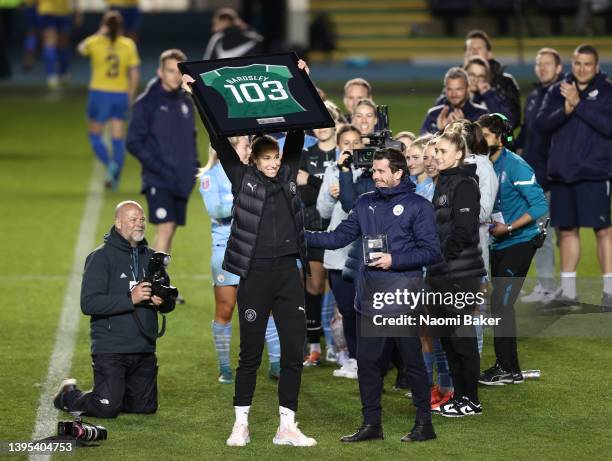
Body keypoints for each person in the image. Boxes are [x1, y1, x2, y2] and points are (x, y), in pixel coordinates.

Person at [186, 59, 317, 447]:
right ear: (253, 161)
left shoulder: (288, 172)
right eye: (267, 159)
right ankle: (240, 423)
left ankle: (287, 426)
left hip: (288, 275)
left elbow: (298, 129)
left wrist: (303, 81)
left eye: (276, 158)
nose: (275, 164)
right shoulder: (241, 178)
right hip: (255, 275)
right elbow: (216, 134)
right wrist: (197, 94)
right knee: (250, 354)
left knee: (293, 352)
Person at [307, 148, 441, 443]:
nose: (375, 177)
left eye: (381, 172)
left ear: (398, 173)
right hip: (370, 297)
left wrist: (395, 259)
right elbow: (338, 237)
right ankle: (371, 425)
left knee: (412, 362)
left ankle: (424, 423)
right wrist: (299, 235)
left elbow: (432, 251)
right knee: (367, 364)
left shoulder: (419, 206)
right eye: (374, 171)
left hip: (402, 295)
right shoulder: (365, 203)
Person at [53, 201, 175, 418]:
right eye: (133, 219)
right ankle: (68, 395)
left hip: (144, 349)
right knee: (108, 407)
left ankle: (117, 393)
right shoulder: (100, 257)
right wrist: (131, 298)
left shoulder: (153, 258)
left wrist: (162, 301)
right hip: (111, 350)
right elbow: (88, 303)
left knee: (144, 408)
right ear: (118, 223)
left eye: (142, 219)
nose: (139, 224)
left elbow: (169, 300)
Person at [198, 139, 281, 384]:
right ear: (230, 149)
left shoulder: (257, 174)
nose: (249, 149)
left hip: (258, 247)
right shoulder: (211, 177)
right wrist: (248, 200)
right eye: (245, 145)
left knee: (267, 306)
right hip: (227, 249)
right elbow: (215, 210)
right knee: (225, 309)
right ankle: (224, 367)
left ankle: (276, 363)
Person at [536, 44, 612, 311]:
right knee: (566, 232)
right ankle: (568, 293)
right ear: (572, 63)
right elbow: (541, 124)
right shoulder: (559, 89)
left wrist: (579, 105)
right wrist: (566, 110)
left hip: (594, 173)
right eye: (577, 63)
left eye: (587, 64)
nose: (581, 69)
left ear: (596, 65)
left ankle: (609, 292)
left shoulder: (606, 90)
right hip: (562, 174)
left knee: (603, 231)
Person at [477, 113, 548, 385]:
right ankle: (509, 367)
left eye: (485, 135)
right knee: (500, 303)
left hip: (519, 241)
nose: (479, 140)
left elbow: (540, 206)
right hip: (498, 242)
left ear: (500, 137)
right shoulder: (482, 164)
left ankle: (507, 368)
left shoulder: (516, 166)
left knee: (501, 303)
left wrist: (509, 228)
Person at [127, 49, 199, 285]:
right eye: (170, 71)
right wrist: (158, 167)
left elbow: (191, 136)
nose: (175, 77)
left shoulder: (185, 101)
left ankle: (161, 282)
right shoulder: (147, 103)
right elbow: (133, 141)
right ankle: (152, 284)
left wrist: (194, 166)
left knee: (171, 231)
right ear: (160, 72)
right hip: (159, 179)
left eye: (179, 72)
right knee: (165, 228)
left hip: (181, 180)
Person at [516, 48, 564, 304]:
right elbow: (526, 134)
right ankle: (546, 285)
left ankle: (550, 286)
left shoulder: (561, 95)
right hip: (534, 175)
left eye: (548, 64)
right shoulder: (535, 96)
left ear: (558, 68)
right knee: (539, 233)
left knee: (547, 233)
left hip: (552, 176)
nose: (542, 68)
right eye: (539, 63)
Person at [317, 124, 364, 379]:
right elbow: (323, 212)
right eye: (346, 143)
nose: (351, 148)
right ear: (339, 146)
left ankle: (369, 359)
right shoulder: (331, 171)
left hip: (361, 253)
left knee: (364, 310)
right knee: (346, 309)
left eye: (356, 143)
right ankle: (354, 359)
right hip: (337, 256)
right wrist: (330, 194)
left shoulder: (370, 172)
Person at [78, 10, 140, 189]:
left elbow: (80, 48)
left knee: (95, 136)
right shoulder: (128, 45)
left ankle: (110, 165)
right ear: (121, 27)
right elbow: (134, 72)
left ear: (104, 25)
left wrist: (99, 32)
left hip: (99, 94)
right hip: (120, 94)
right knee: (118, 139)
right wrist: (131, 94)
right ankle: (115, 179)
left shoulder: (95, 42)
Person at [299, 103, 340, 367]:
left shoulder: (343, 153)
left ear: (336, 122)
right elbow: (305, 197)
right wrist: (325, 188)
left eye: (327, 120)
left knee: (338, 289)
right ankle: (314, 345)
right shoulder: (306, 154)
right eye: (318, 121)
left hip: (339, 228)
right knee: (313, 286)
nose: (322, 126)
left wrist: (313, 182)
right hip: (313, 225)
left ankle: (338, 344)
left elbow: (341, 195)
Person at [462, 29, 521, 130]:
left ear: (489, 54)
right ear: (465, 55)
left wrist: (488, 94)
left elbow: (511, 122)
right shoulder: (455, 82)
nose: (474, 51)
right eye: (470, 48)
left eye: (479, 48)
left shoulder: (505, 82)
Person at [421, 67, 487, 135]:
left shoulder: (481, 115)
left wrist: (464, 127)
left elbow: (483, 144)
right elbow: (422, 143)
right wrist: (440, 130)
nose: (454, 94)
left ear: (468, 88)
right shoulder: (433, 114)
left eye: (458, 89)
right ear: (445, 90)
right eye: (450, 89)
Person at [37, 0, 81, 88]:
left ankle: (52, 75)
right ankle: (64, 74)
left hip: (47, 11)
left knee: (50, 42)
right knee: (62, 43)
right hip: (63, 12)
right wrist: (77, 12)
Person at [464, 56, 514, 127]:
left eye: (480, 76)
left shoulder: (492, 96)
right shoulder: (451, 95)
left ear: (486, 79)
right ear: (464, 74)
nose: (475, 79)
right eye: (472, 75)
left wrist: (488, 95)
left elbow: (508, 123)